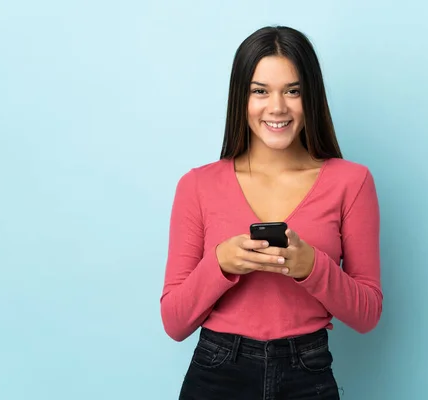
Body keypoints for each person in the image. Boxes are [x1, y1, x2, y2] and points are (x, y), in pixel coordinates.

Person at [160, 25, 383, 400]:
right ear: (241, 98)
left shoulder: (352, 182)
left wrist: (312, 266)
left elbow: (367, 314)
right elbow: (174, 322)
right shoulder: (197, 185)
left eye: (292, 91)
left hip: (307, 371)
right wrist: (221, 264)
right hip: (217, 371)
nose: (277, 107)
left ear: (310, 97)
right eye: (260, 91)